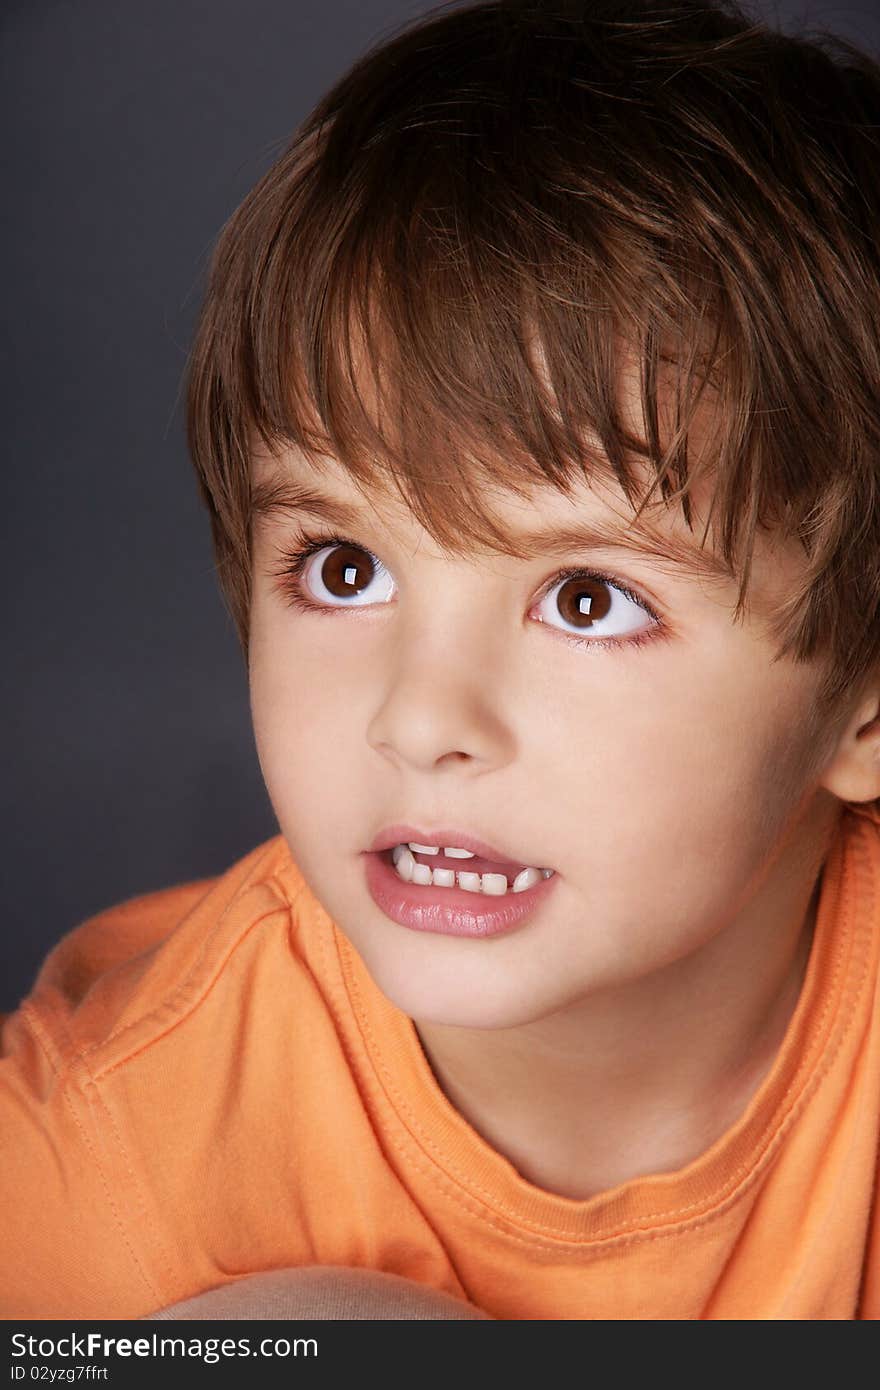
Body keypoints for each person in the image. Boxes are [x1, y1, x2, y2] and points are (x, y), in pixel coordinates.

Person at [3, 0, 880, 1321]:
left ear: (862, 707)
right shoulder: (105, 1149)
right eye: (344, 568)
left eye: (587, 597)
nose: (420, 718)